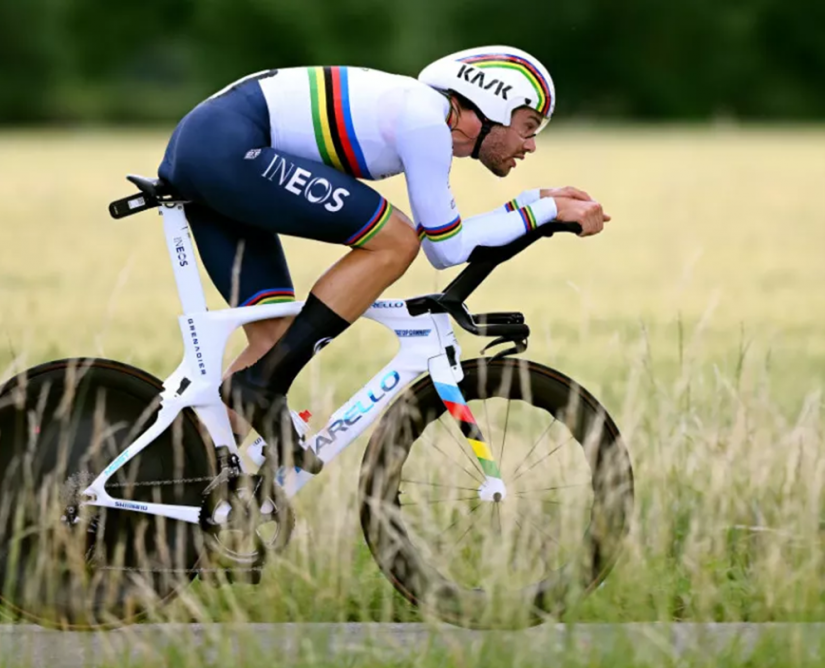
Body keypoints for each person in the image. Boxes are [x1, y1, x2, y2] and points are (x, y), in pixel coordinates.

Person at [156, 45, 611, 475]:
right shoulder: (425, 121)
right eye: (529, 126)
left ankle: (181, 480)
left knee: (271, 337)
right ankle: (263, 385)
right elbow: (444, 247)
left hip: (211, 145)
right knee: (395, 242)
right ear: (493, 105)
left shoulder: (422, 113)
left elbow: (447, 238)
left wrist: (532, 206)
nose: (531, 145)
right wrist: (543, 211)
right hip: (226, 148)